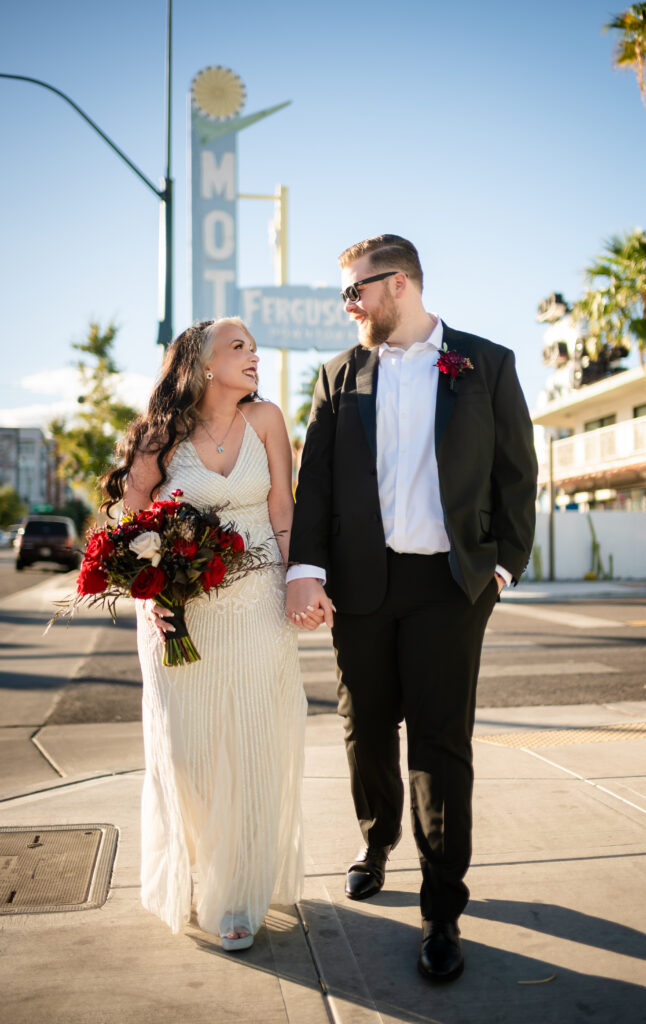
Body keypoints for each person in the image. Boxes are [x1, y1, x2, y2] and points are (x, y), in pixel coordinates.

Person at [286, 235, 537, 982]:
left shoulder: (485, 363)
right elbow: (317, 482)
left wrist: (501, 568)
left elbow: (516, 474)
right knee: (364, 728)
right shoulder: (338, 376)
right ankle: (376, 838)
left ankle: (442, 910)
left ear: (397, 284)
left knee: (440, 746)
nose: (349, 305)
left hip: (449, 588)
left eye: (354, 291)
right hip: (361, 585)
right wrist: (306, 569)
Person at [101, 317, 306, 951]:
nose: (253, 355)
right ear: (202, 364)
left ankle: (236, 897)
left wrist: (300, 579)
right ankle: (194, 870)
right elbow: (127, 530)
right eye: (238, 346)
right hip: (179, 609)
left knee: (250, 743)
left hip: (258, 602)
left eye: (253, 346)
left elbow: (281, 510)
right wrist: (150, 600)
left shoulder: (267, 420)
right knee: (188, 752)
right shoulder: (158, 437)